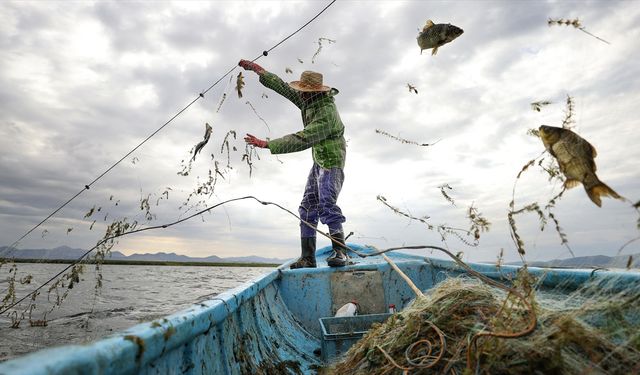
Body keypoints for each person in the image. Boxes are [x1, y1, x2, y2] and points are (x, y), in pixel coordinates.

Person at [238, 59, 348, 268]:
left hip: (332, 161)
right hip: (319, 161)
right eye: (301, 91)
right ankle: (307, 258)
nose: (301, 95)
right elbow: (282, 87)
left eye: (305, 92)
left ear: (317, 92)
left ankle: (341, 252)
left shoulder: (326, 114)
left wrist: (266, 144)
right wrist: (259, 71)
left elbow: (303, 138)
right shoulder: (309, 100)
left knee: (326, 202)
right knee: (307, 206)